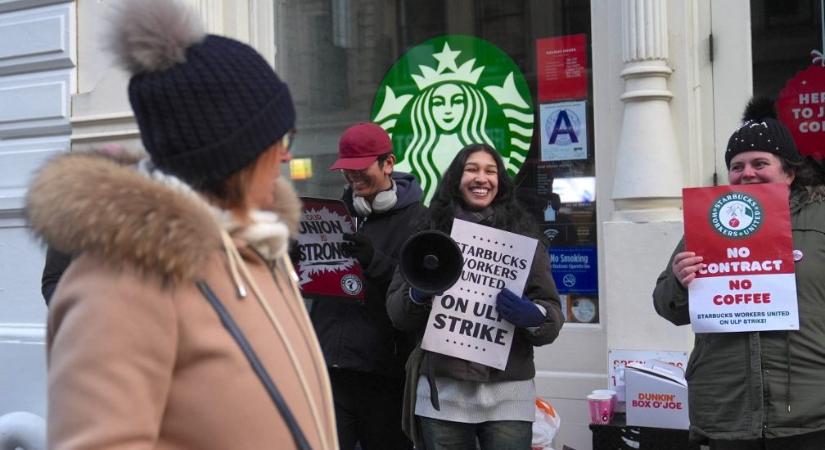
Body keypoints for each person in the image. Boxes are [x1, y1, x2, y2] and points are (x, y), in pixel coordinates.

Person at [25, 0, 337, 448]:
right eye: (280, 139)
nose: (288, 155)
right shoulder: (121, 287)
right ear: (232, 156)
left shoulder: (260, 250)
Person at [652, 97, 825, 449]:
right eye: (737, 165)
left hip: (808, 408)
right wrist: (679, 281)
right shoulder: (708, 224)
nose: (747, 172)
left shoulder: (819, 219)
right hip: (726, 409)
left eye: (760, 163)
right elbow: (668, 308)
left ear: (789, 172)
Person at [386, 143, 565, 449]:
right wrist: (418, 293)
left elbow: (551, 317)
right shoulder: (428, 235)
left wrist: (534, 315)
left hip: (509, 392)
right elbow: (397, 314)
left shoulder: (524, 239)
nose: (481, 178)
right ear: (456, 178)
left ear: (500, 182)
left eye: (490, 171)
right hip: (443, 394)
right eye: (472, 169)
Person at [311, 122, 424, 449]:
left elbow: (417, 294)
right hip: (332, 368)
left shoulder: (420, 220)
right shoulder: (336, 214)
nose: (352, 177)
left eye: (360, 169)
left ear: (388, 163)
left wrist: (374, 260)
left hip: (383, 376)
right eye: (346, 170)